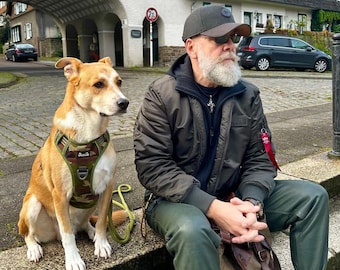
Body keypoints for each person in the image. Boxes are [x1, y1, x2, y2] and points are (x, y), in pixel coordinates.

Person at [133, 4, 329, 270]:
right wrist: (213, 207)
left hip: (234, 193)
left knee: (313, 197)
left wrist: (251, 203)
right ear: (191, 47)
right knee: (193, 230)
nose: (230, 46)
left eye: (233, 38)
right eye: (218, 39)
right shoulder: (161, 95)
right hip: (176, 200)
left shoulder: (247, 95)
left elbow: (260, 159)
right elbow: (153, 167)